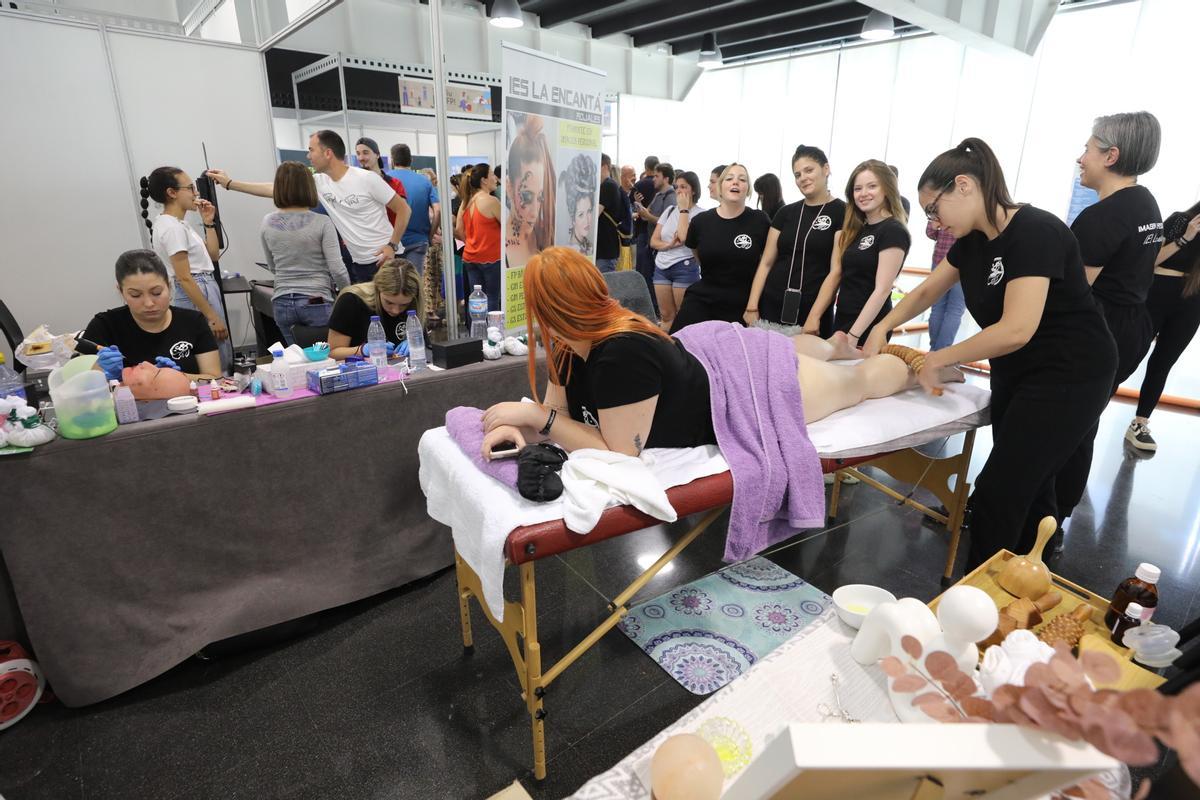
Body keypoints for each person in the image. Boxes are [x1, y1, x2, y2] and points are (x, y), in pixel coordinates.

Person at [862, 137, 1117, 569]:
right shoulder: (973, 241)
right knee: (1031, 483)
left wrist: (939, 357)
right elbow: (926, 290)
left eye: (933, 209)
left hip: (1071, 373)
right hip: (1019, 371)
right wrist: (883, 325)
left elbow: (1018, 328)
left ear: (964, 186)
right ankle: (1029, 569)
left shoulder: (1036, 231)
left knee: (999, 490)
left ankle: (976, 599)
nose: (934, 223)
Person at [478, 247, 961, 458]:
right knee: (798, 348)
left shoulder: (619, 352)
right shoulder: (566, 346)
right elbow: (558, 414)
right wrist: (527, 427)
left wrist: (535, 421)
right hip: (716, 360)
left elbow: (620, 452)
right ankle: (832, 347)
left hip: (754, 387)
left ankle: (923, 363)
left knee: (859, 383)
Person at [1055, 112, 1162, 519]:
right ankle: (1058, 509)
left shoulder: (1103, 216)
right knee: (1083, 422)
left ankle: (1048, 511)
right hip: (1131, 325)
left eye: (1087, 149)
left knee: (1069, 426)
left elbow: (1072, 294)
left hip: (1099, 330)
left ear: (1111, 155)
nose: (1080, 158)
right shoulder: (1145, 202)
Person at [207, 130, 411, 284]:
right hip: (360, 264)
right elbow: (276, 188)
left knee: (396, 316)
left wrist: (392, 245)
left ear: (328, 153)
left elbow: (403, 209)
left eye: (311, 150)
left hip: (387, 260)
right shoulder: (319, 181)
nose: (308, 155)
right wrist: (230, 183)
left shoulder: (366, 179)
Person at [745, 145, 847, 337]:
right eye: (797, 174)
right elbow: (766, 262)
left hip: (812, 311)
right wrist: (752, 306)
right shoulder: (785, 213)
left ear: (826, 169)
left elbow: (836, 271)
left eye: (809, 170)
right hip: (771, 304)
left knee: (806, 366)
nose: (803, 178)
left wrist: (815, 316)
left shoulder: (843, 212)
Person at [809, 159, 910, 347]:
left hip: (867, 327)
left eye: (871, 186)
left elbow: (882, 290)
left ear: (887, 189)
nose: (863, 194)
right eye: (857, 189)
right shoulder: (858, 230)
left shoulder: (893, 230)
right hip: (843, 318)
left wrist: (854, 335)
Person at [140, 166, 231, 372]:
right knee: (213, 350)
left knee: (219, 348)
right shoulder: (171, 227)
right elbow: (184, 277)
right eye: (190, 188)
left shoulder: (180, 224)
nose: (195, 193)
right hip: (196, 287)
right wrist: (211, 316)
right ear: (172, 193)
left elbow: (213, 255)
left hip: (204, 284)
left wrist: (208, 222)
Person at [84, 249, 220, 383]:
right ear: (121, 291)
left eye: (156, 292)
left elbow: (214, 377)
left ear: (169, 286)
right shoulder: (104, 326)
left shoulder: (193, 322)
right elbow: (82, 384)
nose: (149, 303)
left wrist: (173, 376)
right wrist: (105, 374)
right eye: (135, 295)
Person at [1128, 203, 1200, 451]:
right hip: (1157, 294)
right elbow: (1150, 259)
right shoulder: (1181, 220)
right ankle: (1092, 409)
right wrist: (1185, 238)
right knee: (1130, 355)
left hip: (1192, 304)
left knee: (1163, 363)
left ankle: (1140, 423)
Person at [670, 164, 771, 333]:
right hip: (704, 297)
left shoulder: (760, 220)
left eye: (742, 179)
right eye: (729, 178)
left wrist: (752, 307)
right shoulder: (701, 221)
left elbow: (767, 263)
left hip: (743, 301)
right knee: (678, 344)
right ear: (720, 187)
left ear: (747, 189)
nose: (736, 182)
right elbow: (698, 254)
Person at [259, 162, 351, 346]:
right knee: (325, 358)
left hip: (281, 301)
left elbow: (272, 266)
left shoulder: (267, 221)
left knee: (297, 359)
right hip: (316, 300)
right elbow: (337, 269)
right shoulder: (322, 222)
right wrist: (347, 295)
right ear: (309, 186)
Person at [326, 259, 424, 360]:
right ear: (377, 289)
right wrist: (362, 350)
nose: (396, 310)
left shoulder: (414, 303)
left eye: (404, 305)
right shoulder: (351, 301)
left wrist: (416, 344)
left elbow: (426, 346)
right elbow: (333, 352)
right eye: (389, 302)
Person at [650, 171, 703, 329]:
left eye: (684, 187)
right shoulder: (669, 210)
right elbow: (653, 240)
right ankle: (666, 350)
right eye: (677, 187)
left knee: (684, 316)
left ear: (693, 190)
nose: (679, 191)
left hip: (685, 266)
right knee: (666, 316)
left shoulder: (700, 214)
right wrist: (668, 246)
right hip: (661, 265)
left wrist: (683, 210)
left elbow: (684, 236)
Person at [505, 114, 556, 269]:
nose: (534, 212)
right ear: (509, 188)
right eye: (526, 196)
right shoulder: (500, 246)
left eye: (540, 197)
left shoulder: (544, 233)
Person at [387, 143, 441, 275]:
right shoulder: (424, 181)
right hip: (418, 240)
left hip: (391, 241)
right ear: (411, 160)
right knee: (414, 283)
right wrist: (429, 235)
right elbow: (438, 210)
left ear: (392, 160)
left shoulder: (385, 179)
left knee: (393, 285)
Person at [457, 163, 503, 310]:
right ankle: (493, 333)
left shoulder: (465, 202)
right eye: (491, 175)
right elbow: (509, 227)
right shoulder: (491, 201)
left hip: (470, 257)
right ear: (484, 180)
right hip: (491, 258)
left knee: (476, 302)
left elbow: (458, 229)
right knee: (492, 300)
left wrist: (471, 241)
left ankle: (476, 332)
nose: (495, 178)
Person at [635, 162, 678, 310]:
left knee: (655, 281)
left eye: (657, 176)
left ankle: (657, 310)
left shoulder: (671, 197)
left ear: (666, 179)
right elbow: (650, 215)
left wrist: (647, 215)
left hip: (660, 248)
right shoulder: (658, 195)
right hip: (652, 244)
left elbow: (667, 222)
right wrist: (641, 207)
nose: (653, 179)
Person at [354, 137, 409, 230]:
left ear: (377, 154)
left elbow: (404, 212)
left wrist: (393, 242)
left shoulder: (395, 184)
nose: (361, 158)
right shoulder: (355, 184)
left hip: (390, 238)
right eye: (358, 154)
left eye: (365, 153)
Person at [925, 221, 962, 349]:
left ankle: (933, 349)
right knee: (955, 310)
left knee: (937, 307)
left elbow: (930, 232)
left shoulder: (940, 204)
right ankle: (940, 352)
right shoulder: (972, 206)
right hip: (964, 264)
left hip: (939, 261)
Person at [559, 153, 597, 257]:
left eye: (589, 211)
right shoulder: (568, 251)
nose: (587, 220)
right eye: (581, 214)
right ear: (573, 218)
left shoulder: (589, 247)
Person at [596, 153, 625, 272]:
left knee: (605, 286)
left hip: (605, 249)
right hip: (606, 248)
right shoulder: (610, 185)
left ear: (605, 167)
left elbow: (595, 214)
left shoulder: (608, 186)